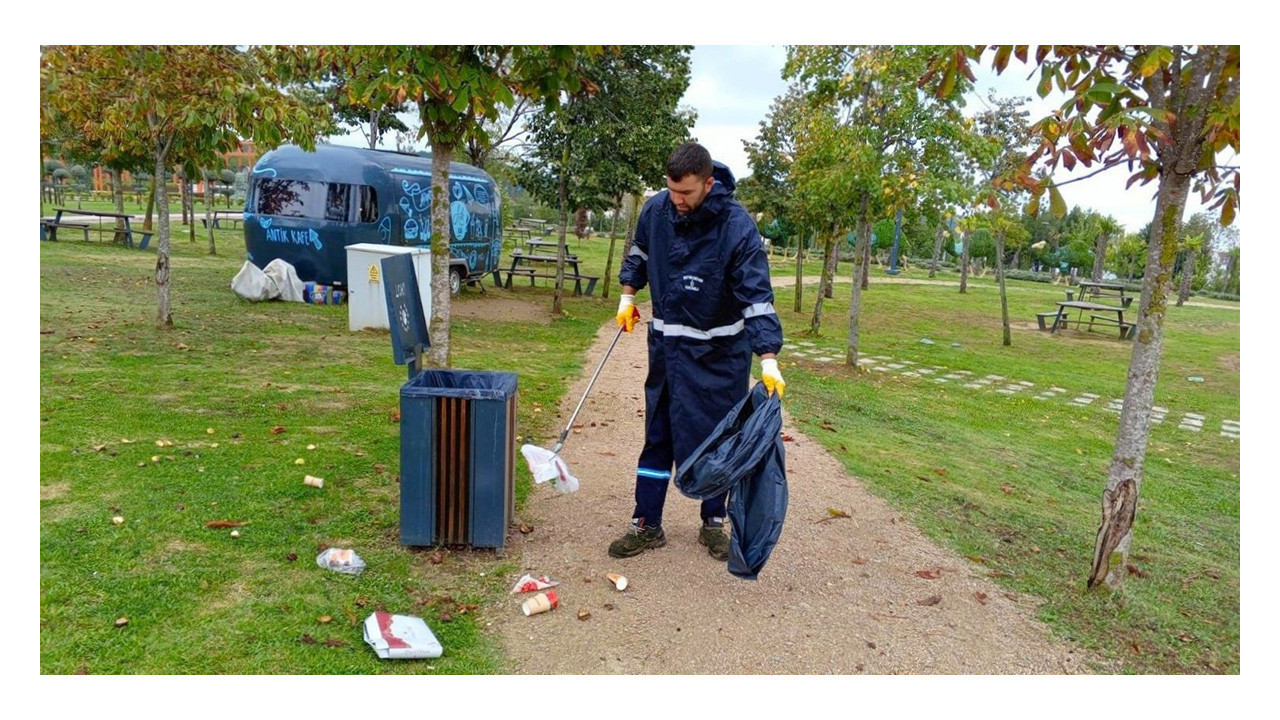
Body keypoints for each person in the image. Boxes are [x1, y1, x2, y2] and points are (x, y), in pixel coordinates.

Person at [609, 142, 785, 561]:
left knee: (719, 439)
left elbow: (756, 296)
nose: (677, 201)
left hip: (721, 354)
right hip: (669, 350)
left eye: (685, 193)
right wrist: (627, 297)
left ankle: (714, 522)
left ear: (708, 183)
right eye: (671, 190)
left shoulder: (737, 226)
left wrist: (769, 359)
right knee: (658, 435)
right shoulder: (657, 210)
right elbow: (639, 252)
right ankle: (646, 523)